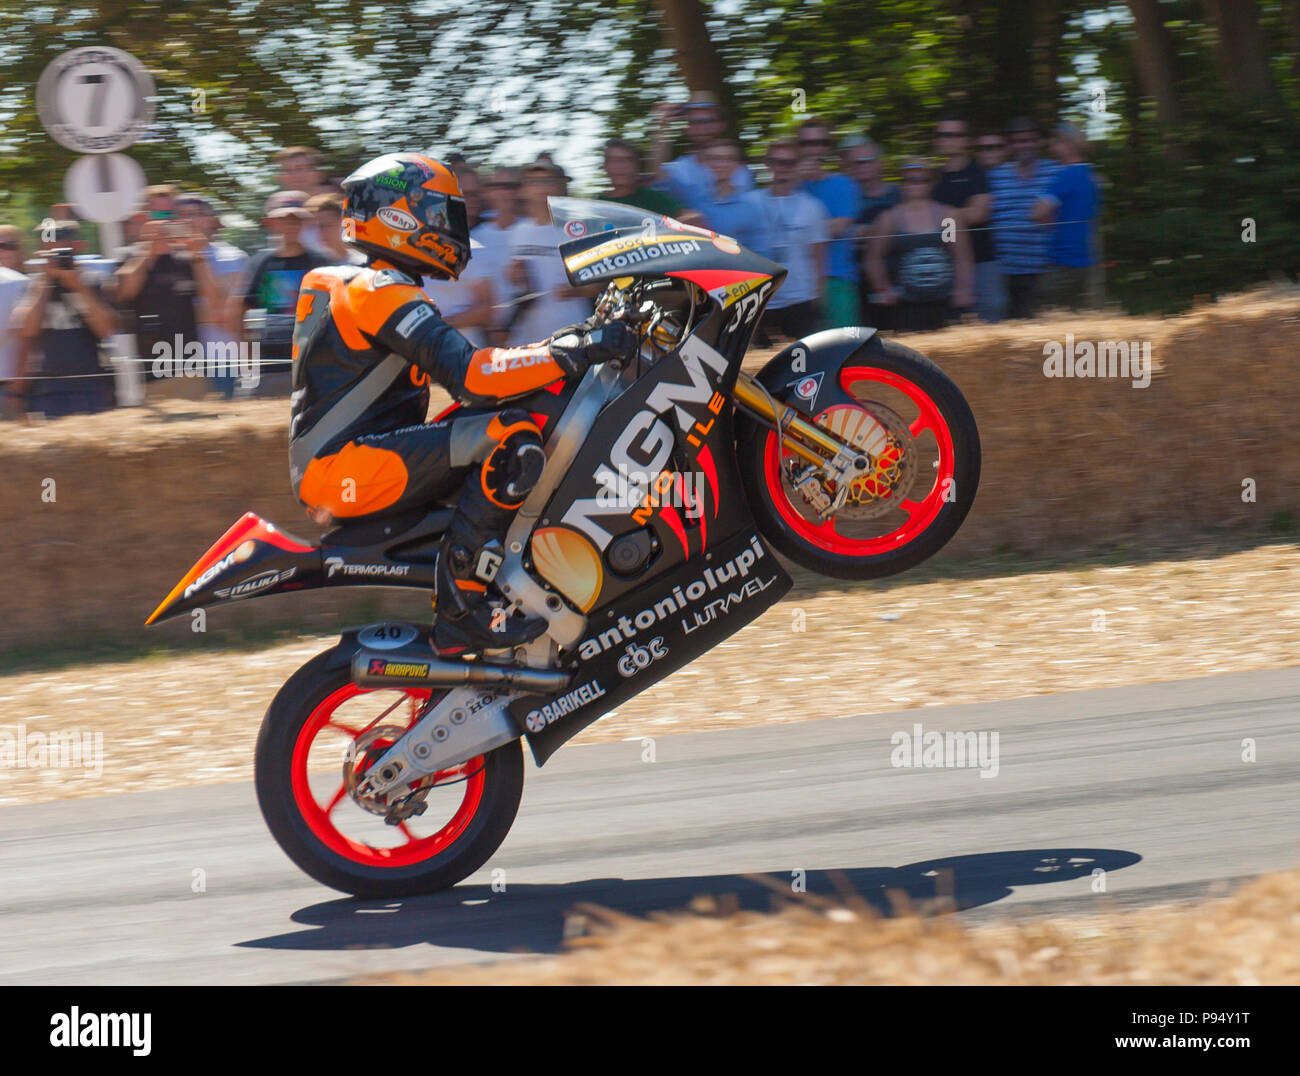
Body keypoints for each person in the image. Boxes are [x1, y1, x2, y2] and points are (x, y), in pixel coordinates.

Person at [290, 152, 636, 653]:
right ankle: (462, 602)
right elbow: (474, 377)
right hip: (349, 468)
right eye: (441, 214)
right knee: (509, 436)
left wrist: (564, 345)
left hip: (353, 460)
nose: (453, 227)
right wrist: (578, 348)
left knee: (512, 413)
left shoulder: (363, 286)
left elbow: (480, 375)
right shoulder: (376, 290)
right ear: (398, 219)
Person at [115, 184, 221, 386]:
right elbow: (124, 293)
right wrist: (149, 252)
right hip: (146, 369)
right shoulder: (130, 256)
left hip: (189, 367)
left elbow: (214, 301)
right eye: (158, 213)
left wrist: (198, 255)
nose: (164, 220)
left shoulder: (188, 256)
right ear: (145, 217)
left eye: (170, 213)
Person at [13, 220, 119, 417]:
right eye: (49, 243)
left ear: (76, 245)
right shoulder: (36, 285)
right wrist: (45, 281)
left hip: (90, 387)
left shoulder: (93, 281)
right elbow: (27, 330)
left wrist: (78, 286)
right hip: (47, 389)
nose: (55, 247)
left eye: (61, 242)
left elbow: (106, 331)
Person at [235, 191, 328, 394]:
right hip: (268, 365)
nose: (290, 226)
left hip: (311, 365)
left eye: (296, 221)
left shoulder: (321, 263)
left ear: (304, 224)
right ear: (271, 223)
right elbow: (241, 311)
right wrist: (248, 358)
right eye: (283, 220)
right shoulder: (260, 263)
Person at [866, 158, 972, 333]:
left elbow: (960, 256)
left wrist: (963, 289)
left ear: (932, 182)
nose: (916, 183)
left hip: (944, 300)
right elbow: (873, 257)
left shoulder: (947, 216)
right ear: (902, 183)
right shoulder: (890, 218)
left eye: (923, 179)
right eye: (910, 179)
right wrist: (882, 288)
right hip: (906, 303)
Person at [504, 162, 593, 347]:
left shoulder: (576, 230)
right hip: (528, 338)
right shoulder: (518, 231)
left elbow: (600, 283)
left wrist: (574, 291)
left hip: (570, 335)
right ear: (524, 190)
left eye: (547, 181)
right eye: (533, 182)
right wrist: (514, 275)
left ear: (560, 187)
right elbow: (511, 281)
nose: (540, 188)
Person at [751, 139, 828, 344]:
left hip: (801, 298)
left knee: (804, 361)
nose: (782, 168)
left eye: (789, 163)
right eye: (776, 162)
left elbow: (819, 255)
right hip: (763, 299)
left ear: (797, 165)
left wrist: (818, 295)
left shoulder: (813, 206)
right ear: (768, 164)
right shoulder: (751, 202)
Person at [176, 194, 251, 397]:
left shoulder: (232, 257)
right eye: (182, 215)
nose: (189, 220)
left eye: (196, 214)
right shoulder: (163, 259)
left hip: (221, 357)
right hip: (173, 358)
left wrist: (200, 258)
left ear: (210, 220)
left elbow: (222, 314)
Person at [931, 113, 1003, 323]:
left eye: (955, 135)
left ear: (965, 140)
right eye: (943, 135)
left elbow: (979, 213)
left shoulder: (977, 173)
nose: (949, 139)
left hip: (982, 262)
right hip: (946, 264)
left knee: (991, 322)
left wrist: (947, 216)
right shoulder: (935, 178)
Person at [987, 117, 1060, 320]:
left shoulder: (1055, 171)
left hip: (1043, 268)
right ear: (1010, 145)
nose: (1023, 146)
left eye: (1029, 140)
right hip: (1004, 271)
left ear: (1038, 142)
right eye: (1018, 141)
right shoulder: (995, 175)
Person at [798, 119, 863, 329]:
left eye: (819, 142)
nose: (813, 149)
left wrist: (798, 232)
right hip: (797, 282)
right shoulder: (791, 187)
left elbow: (838, 228)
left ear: (827, 147)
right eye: (806, 144)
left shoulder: (844, 184)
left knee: (847, 348)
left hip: (837, 279)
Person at [1032, 122, 1101, 310]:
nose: (1052, 145)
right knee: (1076, 313)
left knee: (1042, 308)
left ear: (1069, 145)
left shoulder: (1066, 176)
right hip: (1087, 258)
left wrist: (1048, 219)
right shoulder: (1090, 175)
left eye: (1056, 141)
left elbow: (1037, 212)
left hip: (1065, 260)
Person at [650, 92, 755, 213]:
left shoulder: (740, 170)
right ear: (686, 129)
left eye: (709, 121)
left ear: (721, 125)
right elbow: (657, 176)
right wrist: (662, 126)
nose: (702, 127)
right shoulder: (679, 170)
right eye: (695, 122)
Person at [843, 136, 899, 331]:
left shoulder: (899, 194)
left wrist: (866, 232)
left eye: (867, 161)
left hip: (898, 276)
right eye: (856, 163)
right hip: (856, 281)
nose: (862, 167)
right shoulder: (843, 198)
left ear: (880, 163)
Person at [697, 140, 768, 253]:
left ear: (737, 165)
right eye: (714, 159)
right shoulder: (692, 202)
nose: (721, 164)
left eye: (728, 159)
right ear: (703, 163)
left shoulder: (750, 206)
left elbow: (762, 250)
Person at [601, 138, 688, 218]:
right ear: (605, 166)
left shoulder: (652, 199)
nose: (620, 166)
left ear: (637, 166)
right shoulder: (598, 205)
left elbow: (690, 218)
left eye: (627, 160)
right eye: (614, 160)